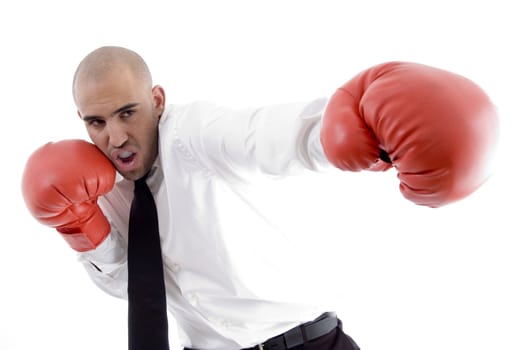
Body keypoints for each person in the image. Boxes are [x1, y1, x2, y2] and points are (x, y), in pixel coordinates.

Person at [21, 46, 499, 350]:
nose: (116, 136)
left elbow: (263, 135)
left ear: (158, 101)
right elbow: (129, 287)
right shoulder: (96, 185)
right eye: (96, 122)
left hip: (302, 345)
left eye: (128, 113)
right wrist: (81, 232)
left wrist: (353, 125)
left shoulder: (194, 134)